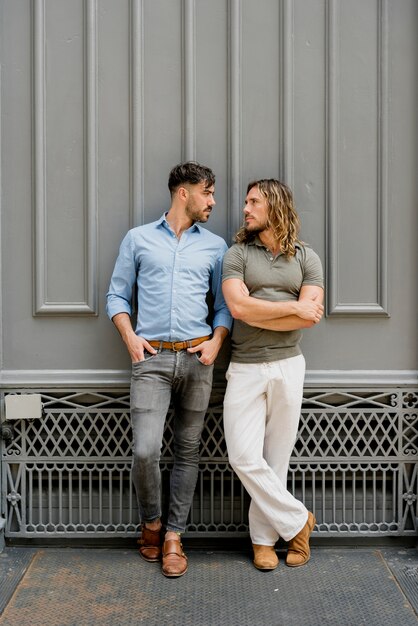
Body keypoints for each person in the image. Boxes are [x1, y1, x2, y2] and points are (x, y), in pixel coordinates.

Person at [106, 162, 232, 578]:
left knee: (188, 451)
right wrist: (129, 337)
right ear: (184, 193)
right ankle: (152, 523)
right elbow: (117, 295)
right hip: (151, 360)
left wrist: (216, 341)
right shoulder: (138, 239)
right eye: (207, 192)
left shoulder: (215, 246)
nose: (212, 201)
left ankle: (174, 536)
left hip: (198, 361)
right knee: (145, 451)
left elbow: (222, 305)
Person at [222, 178, 324, 571]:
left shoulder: (306, 257)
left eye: (253, 202)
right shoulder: (236, 255)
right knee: (243, 456)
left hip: (288, 364)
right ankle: (299, 521)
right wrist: (291, 309)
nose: (245, 209)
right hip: (245, 365)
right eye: (246, 202)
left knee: (276, 457)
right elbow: (239, 309)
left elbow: (310, 316)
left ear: (275, 206)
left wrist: (271, 307)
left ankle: (264, 542)